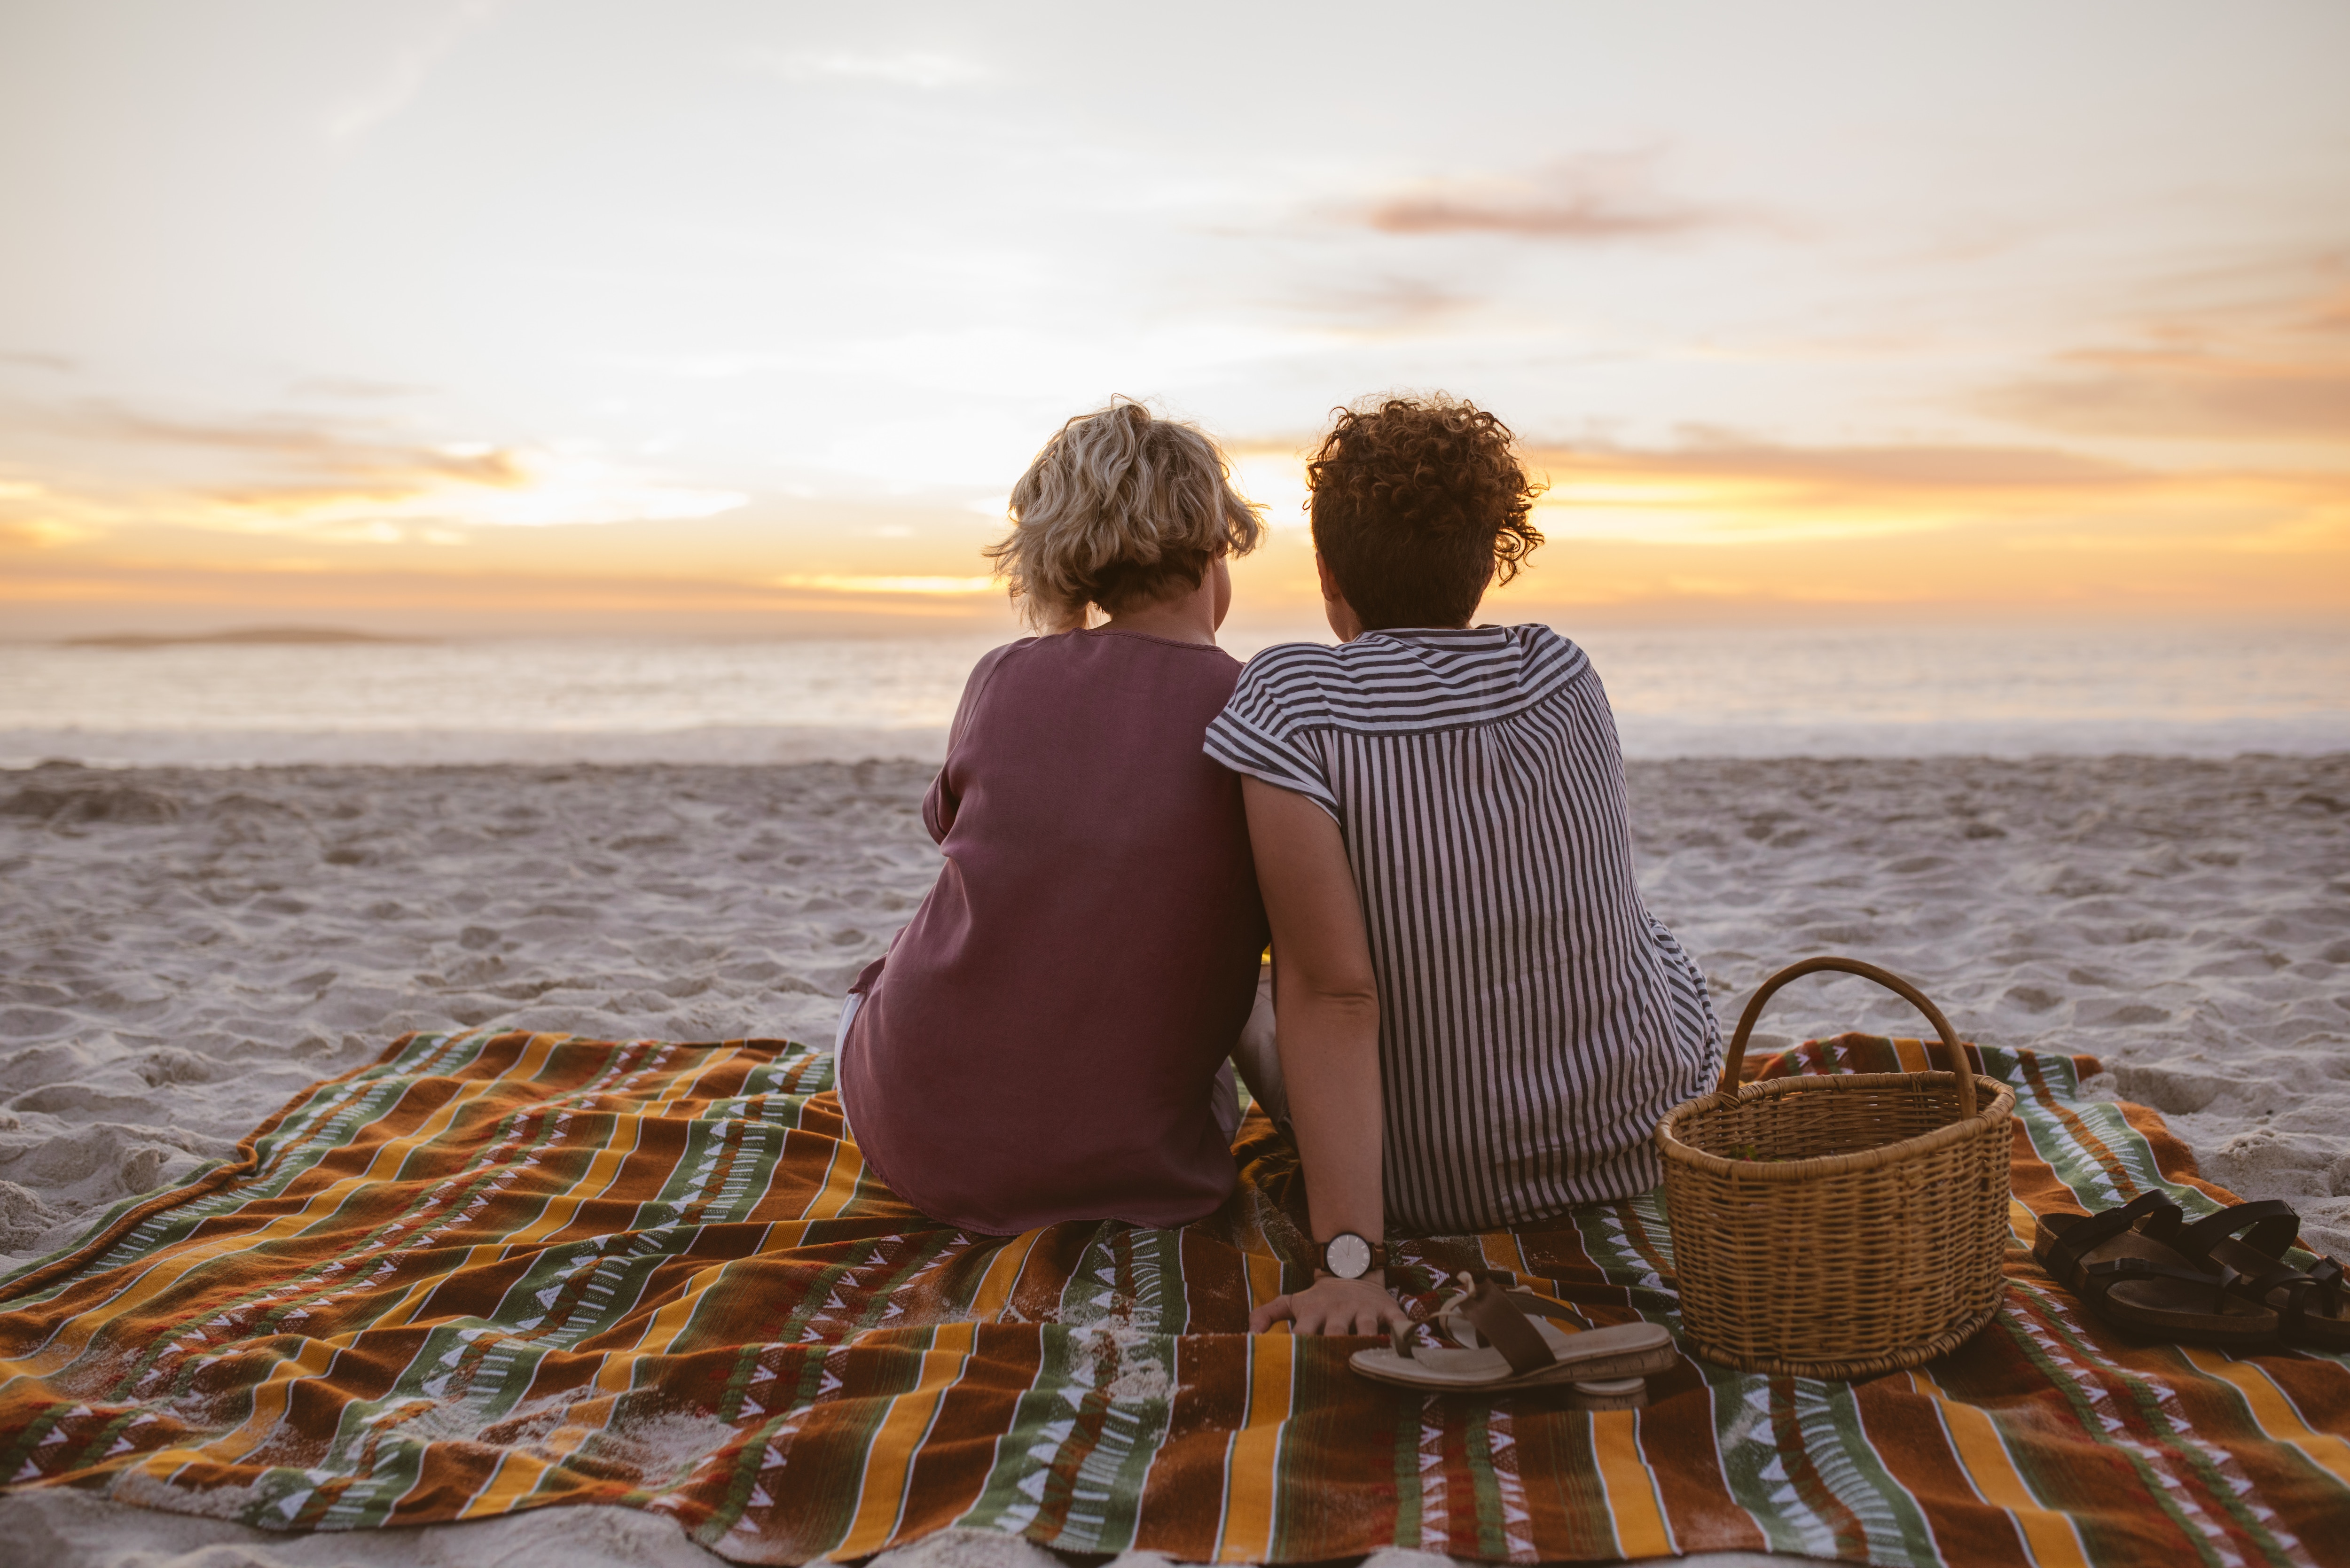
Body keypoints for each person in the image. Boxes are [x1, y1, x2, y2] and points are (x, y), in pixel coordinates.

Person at [1206, 395, 1722, 1336]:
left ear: (1327, 569)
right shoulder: (1560, 670)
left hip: (1424, 1183)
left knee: (1239, 977)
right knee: (1653, 943)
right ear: (1488, 562)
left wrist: (1352, 1264)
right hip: (1633, 1136)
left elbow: (1333, 995)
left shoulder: (1289, 700)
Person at [835, 399, 1272, 1235]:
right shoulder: (1256, 704)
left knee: (885, 975)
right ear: (1218, 545)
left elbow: (952, 826)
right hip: (1137, 1166)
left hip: (915, 1132)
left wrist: (1062, 631)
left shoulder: (1004, 678)